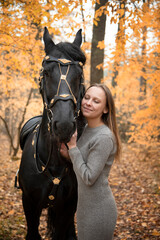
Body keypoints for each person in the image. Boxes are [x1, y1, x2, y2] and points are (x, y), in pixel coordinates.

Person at [60, 83, 121, 240]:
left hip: (99, 211)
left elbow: (88, 177)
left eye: (96, 101)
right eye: (86, 97)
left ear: (106, 109)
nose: (88, 103)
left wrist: (73, 148)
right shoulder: (87, 128)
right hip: (84, 209)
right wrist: (69, 156)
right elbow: (84, 163)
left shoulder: (104, 137)